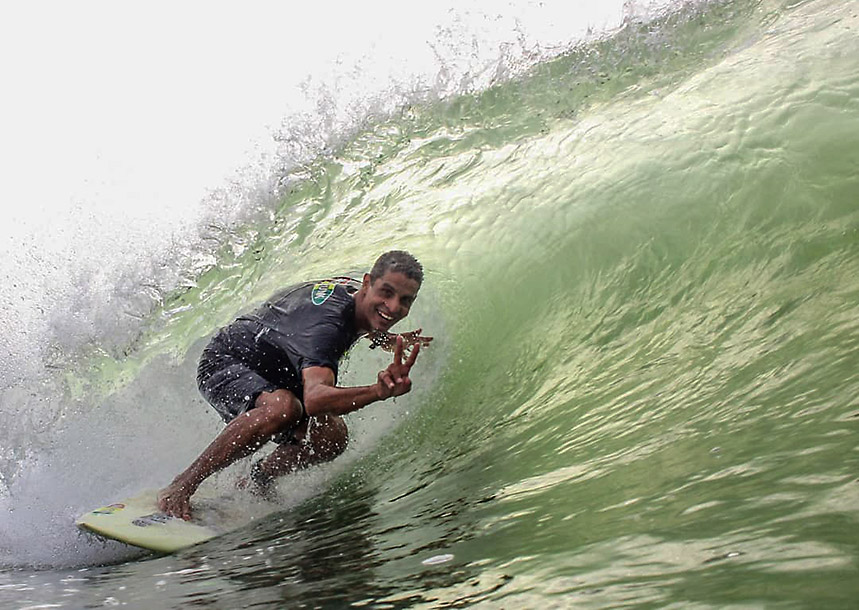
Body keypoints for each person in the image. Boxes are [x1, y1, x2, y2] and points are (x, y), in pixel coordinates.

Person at [158, 250, 432, 520]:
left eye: (405, 300)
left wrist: (386, 338)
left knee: (331, 437)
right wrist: (377, 392)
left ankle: (259, 478)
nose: (394, 307)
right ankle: (183, 485)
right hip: (227, 360)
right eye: (386, 293)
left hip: (277, 368)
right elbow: (314, 399)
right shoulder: (326, 327)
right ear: (367, 282)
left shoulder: (353, 295)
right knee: (283, 408)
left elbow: (348, 315)